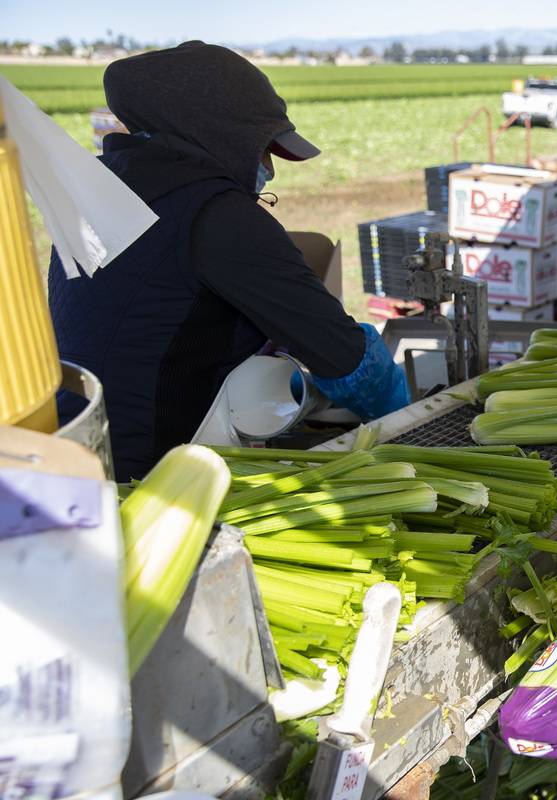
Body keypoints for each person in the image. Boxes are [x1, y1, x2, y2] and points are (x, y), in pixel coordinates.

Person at [47, 42, 409, 481]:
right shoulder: (216, 216)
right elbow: (345, 358)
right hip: (160, 472)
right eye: (264, 149)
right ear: (220, 137)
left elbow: (155, 316)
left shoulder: (98, 191)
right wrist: (404, 411)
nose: (269, 170)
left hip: (75, 450)